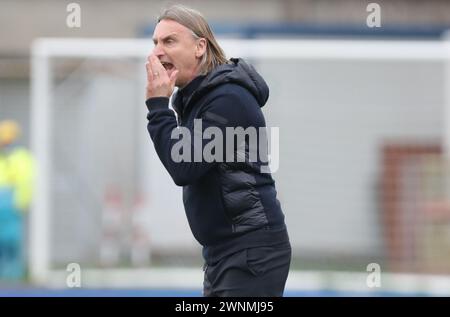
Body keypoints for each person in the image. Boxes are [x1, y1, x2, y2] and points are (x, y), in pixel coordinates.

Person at [145, 5, 291, 297]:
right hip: (224, 255)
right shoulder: (197, 98)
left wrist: (158, 108)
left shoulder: (227, 98)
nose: (157, 52)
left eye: (169, 41)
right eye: (155, 42)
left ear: (200, 46)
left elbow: (183, 167)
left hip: (252, 254)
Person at [0, 120, 35, 280]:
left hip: (12, 203)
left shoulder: (22, 158)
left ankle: (12, 274)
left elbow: (27, 182)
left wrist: (21, 201)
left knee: (11, 240)